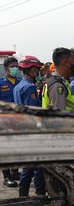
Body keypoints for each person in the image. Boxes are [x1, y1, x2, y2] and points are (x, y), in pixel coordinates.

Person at [13, 56, 46, 196]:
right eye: (36, 70)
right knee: (38, 167)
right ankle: (39, 194)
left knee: (29, 166)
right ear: (32, 70)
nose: (37, 73)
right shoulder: (29, 88)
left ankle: (23, 195)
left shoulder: (18, 86)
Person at [0, 56, 21, 187]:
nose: (15, 69)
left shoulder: (20, 82)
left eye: (16, 66)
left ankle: (14, 171)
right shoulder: (1, 83)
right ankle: (7, 176)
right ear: (6, 68)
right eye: (12, 66)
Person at [42, 47, 74, 112]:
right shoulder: (57, 85)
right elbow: (58, 116)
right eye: (72, 62)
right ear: (65, 62)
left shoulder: (57, 81)